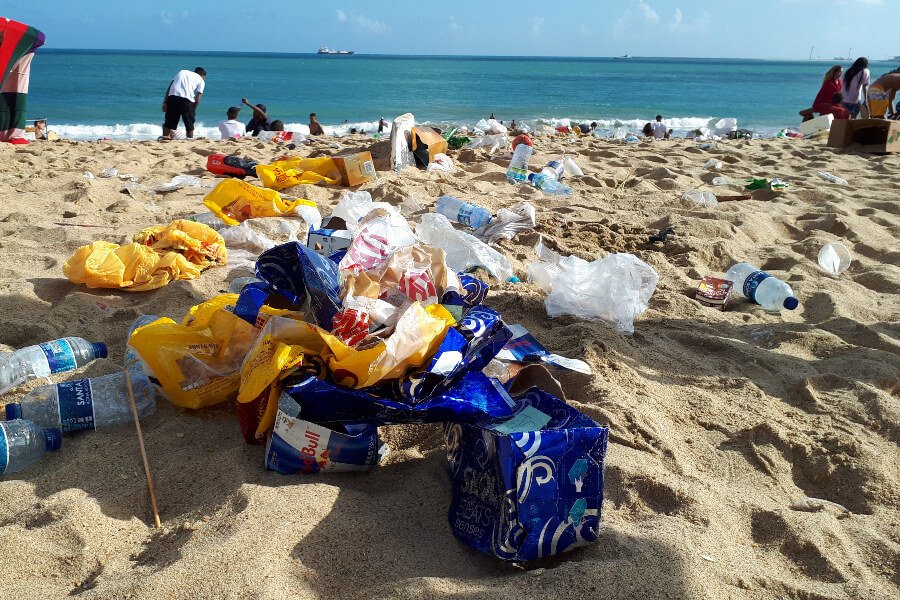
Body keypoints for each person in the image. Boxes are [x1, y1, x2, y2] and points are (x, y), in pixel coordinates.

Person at [162, 67, 206, 139]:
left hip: (172, 97)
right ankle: (190, 139)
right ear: (203, 76)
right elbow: (198, 97)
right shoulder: (201, 80)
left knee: (169, 123)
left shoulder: (182, 71)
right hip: (187, 100)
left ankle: (165, 138)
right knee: (189, 125)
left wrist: (165, 102)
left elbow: (170, 87)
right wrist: (193, 109)